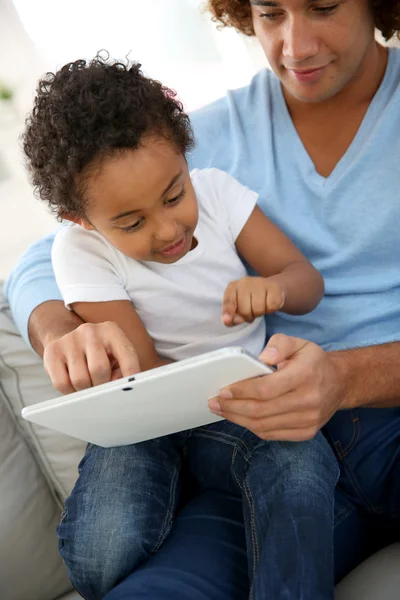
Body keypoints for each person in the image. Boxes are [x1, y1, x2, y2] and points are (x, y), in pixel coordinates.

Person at [4, 0, 400, 597]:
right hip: (260, 432)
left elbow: (299, 279)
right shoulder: (189, 137)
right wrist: (62, 331)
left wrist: (346, 377)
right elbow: (47, 257)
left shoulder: (200, 179)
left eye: (322, 6)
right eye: (270, 12)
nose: (294, 46)